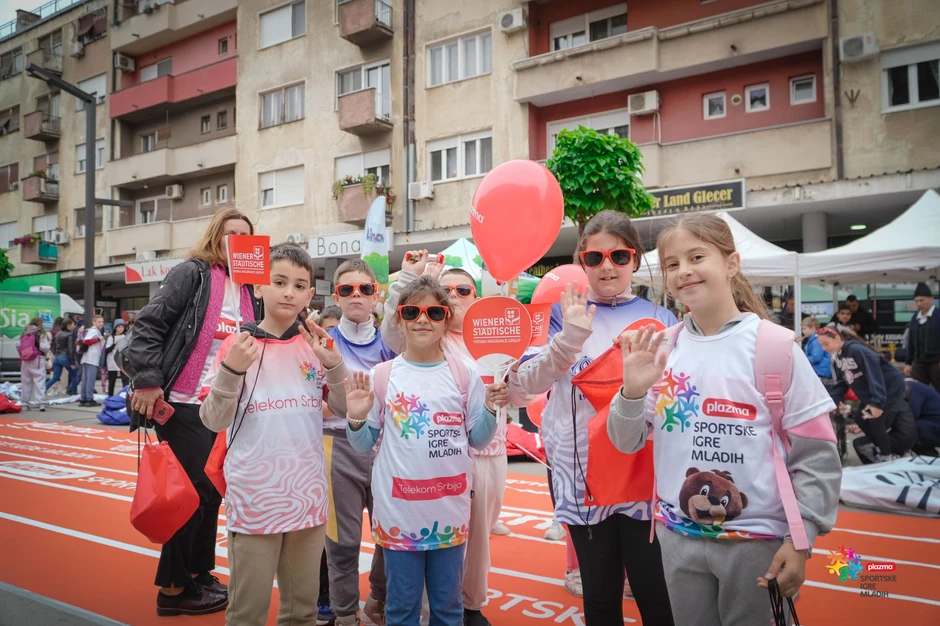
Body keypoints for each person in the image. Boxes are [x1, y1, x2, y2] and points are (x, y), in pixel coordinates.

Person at [607, 213, 842, 625]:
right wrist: (632, 392)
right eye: (672, 264)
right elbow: (626, 442)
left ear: (731, 263)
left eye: (697, 256)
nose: (684, 271)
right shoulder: (662, 348)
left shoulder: (775, 347)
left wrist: (799, 539)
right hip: (676, 538)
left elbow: (817, 456)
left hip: (757, 545)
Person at [508, 210, 676, 626]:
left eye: (618, 257)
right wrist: (569, 339)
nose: (607, 267)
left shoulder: (664, 320)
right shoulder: (560, 315)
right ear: (582, 261)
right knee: (599, 600)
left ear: (634, 259)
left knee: (656, 596)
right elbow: (522, 387)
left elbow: (676, 398)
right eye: (595, 258)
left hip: (645, 478)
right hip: (582, 478)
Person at [199, 244, 349, 626]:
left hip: (308, 498)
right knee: (247, 613)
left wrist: (334, 367)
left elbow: (345, 410)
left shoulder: (316, 347)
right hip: (254, 500)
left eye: (299, 285)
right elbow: (213, 420)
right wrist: (232, 371)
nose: (289, 292)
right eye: (279, 282)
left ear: (309, 295)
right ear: (260, 286)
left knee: (302, 612)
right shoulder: (238, 347)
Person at [344, 276, 503, 626]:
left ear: (446, 318)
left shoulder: (467, 374)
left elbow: (477, 440)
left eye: (433, 311)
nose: (422, 319)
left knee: (448, 610)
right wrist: (356, 418)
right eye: (412, 310)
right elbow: (362, 443)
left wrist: (491, 410)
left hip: (449, 511)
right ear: (399, 318)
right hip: (400, 514)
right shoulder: (382, 375)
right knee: (401, 609)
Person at [125, 208, 261, 616]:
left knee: (213, 493)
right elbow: (147, 326)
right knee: (191, 495)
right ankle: (172, 590)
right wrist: (147, 380)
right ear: (215, 236)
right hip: (183, 404)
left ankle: (199, 573)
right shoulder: (194, 274)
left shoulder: (253, 289)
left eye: (244, 235)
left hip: (227, 407)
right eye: (229, 233)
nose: (236, 240)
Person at [383, 255, 525, 626]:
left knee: (471, 551)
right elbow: (365, 437)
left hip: (474, 467)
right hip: (411, 494)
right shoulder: (395, 366)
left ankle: (470, 605)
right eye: (447, 290)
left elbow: (489, 421)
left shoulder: (485, 348)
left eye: (464, 290)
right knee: (408, 591)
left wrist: (496, 407)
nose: (454, 296)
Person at [324, 259, 395, 626]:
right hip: (336, 444)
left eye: (364, 289)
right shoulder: (324, 342)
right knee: (342, 540)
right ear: (337, 296)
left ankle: (378, 600)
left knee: (390, 534)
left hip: (385, 447)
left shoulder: (392, 341)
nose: (357, 295)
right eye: (348, 289)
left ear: (376, 295)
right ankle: (345, 612)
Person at [818, 327, 918, 464]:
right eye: (821, 345)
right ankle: (884, 449)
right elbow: (843, 381)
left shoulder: (856, 350)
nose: (824, 348)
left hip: (887, 390)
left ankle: (886, 456)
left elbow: (874, 374)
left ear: (837, 338)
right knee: (861, 417)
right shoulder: (840, 356)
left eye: (826, 344)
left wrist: (877, 403)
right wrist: (831, 401)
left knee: (875, 421)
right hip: (872, 394)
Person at [904, 282, 940, 392]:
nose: (919, 304)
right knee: (917, 392)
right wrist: (908, 363)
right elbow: (910, 341)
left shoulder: (938, 316)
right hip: (919, 362)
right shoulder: (915, 317)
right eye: (916, 301)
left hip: (936, 362)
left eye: (922, 300)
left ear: (931, 299)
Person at [18, 318, 48, 412]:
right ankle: (41, 403)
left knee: (26, 382)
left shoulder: (25, 333)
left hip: (25, 360)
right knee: (39, 381)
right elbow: (45, 347)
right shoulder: (40, 334)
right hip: (37, 359)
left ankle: (24, 403)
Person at [907, 378, 940, 456]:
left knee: (908, 430)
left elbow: (911, 415)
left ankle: (930, 459)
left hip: (935, 427)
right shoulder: (912, 386)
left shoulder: (911, 388)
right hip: (932, 426)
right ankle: (930, 459)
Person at [46, 317, 77, 396]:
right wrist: (72, 362)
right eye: (73, 324)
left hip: (56, 357)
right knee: (74, 375)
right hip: (65, 357)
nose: (74, 326)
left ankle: (42, 390)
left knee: (55, 377)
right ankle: (74, 393)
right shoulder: (70, 334)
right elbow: (71, 349)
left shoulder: (58, 333)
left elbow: (55, 347)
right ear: (68, 325)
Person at [79, 316, 105, 407]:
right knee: (90, 380)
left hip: (87, 358)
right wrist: (98, 339)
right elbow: (86, 341)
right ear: (94, 322)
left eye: (102, 322)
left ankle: (83, 398)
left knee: (85, 380)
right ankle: (89, 399)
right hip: (92, 358)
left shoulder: (92, 330)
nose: (101, 323)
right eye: (99, 322)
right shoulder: (94, 331)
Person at [105, 319, 130, 396]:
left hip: (123, 362)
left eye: (122, 327)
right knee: (112, 381)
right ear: (115, 327)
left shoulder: (126, 336)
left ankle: (125, 397)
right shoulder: (111, 337)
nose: (120, 329)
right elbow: (107, 350)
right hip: (112, 362)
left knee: (125, 381)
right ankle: (110, 396)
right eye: (118, 327)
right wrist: (114, 343)